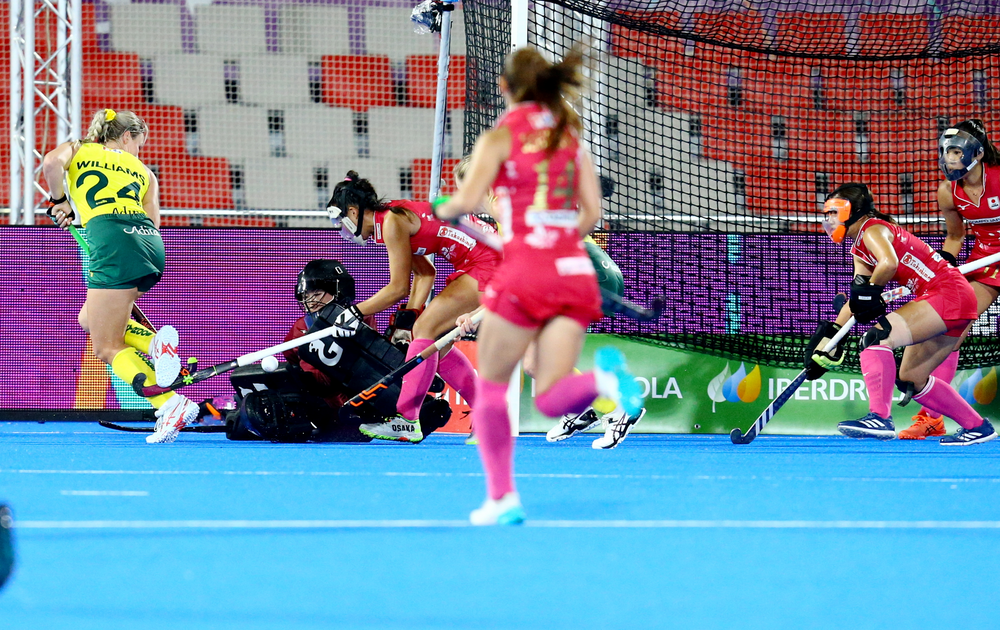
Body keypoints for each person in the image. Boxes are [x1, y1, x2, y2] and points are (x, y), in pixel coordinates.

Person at [434, 45, 646, 525]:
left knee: (493, 389)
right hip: (572, 272)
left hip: (527, 272)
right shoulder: (570, 138)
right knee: (550, 392)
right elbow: (591, 214)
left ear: (505, 88)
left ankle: (502, 498)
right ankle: (606, 382)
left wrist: (441, 205)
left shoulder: (500, 138)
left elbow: (462, 204)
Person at [43, 108, 196, 444]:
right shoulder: (145, 172)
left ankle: (170, 403)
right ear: (127, 137)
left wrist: (60, 201)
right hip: (150, 247)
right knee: (89, 319)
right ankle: (154, 344)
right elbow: (153, 221)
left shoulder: (79, 148)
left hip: (112, 243)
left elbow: (51, 163)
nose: (138, 150)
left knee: (106, 346)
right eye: (139, 143)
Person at [808, 183, 995, 445]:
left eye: (833, 212)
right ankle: (978, 427)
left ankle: (879, 418)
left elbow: (888, 263)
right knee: (911, 378)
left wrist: (871, 291)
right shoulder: (859, 249)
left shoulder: (872, 229)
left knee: (876, 338)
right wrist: (828, 341)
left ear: (853, 211)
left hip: (946, 293)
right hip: (955, 298)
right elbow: (856, 299)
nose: (829, 219)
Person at [323, 171, 502, 443]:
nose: (342, 229)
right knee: (435, 341)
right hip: (482, 261)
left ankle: (407, 420)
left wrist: (355, 313)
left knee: (426, 329)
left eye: (341, 220)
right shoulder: (393, 216)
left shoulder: (392, 222)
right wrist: (408, 318)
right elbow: (425, 273)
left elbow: (397, 288)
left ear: (353, 211)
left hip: (487, 264)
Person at [900, 119, 1000, 439]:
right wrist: (944, 265)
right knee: (951, 329)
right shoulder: (948, 191)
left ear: (976, 153)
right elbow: (955, 236)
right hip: (985, 263)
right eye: (946, 152)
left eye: (956, 151)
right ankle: (932, 418)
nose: (949, 158)